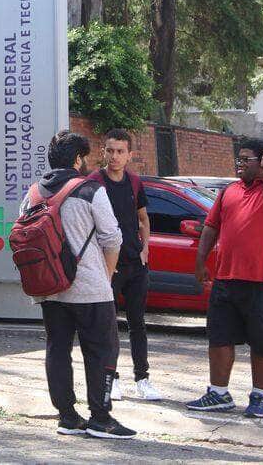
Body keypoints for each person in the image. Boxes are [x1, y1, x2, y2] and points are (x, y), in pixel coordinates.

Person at [21, 130, 136, 439]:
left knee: (57, 350)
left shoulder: (33, 193)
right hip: (90, 289)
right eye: (84, 157)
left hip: (49, 289)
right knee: (101, 351)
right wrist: (107, 277)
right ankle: (101, 418)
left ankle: (67, 417)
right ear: (77, 160)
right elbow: (112, 238)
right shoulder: (90, 189)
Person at [185, 138, 263, 419]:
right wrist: (201, 262)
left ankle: (259, 396)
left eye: (246, 159)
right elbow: (211, 228)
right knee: (219, 337)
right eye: (238, 159)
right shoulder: (229, 192)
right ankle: (218, 393)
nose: (239, 164)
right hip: (227, 278)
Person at [89, 129, 161, 402]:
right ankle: (112, 379)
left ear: (130, 155)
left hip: (135, 264)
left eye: (120, 151)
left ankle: (142, 379)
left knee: (137, 323)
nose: (115, 156)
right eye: (110, 150)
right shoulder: (95, 182)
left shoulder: (134, 182)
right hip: (108, 266)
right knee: (108, 324)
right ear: (103, 152)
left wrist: (145, 249)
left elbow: (143, 219)